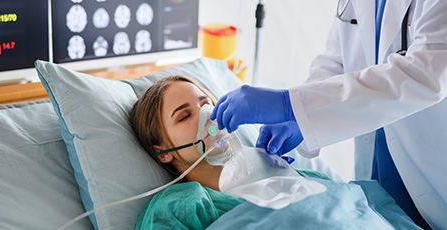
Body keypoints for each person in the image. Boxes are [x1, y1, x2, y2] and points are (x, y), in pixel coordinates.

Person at [210, 1, 447, 229]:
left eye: (202, 101)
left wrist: (289, 103)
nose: (205, 115)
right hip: (382, 187)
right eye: (182, 115)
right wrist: (299, 116)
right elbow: (338, 58)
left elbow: (426, 73)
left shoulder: (313, 181)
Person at [129, 75, 333, 229]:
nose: (208, 116)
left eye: (206, 103)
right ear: (163, 152)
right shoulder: (178, 207)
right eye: (184, 116)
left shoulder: (287, 175)